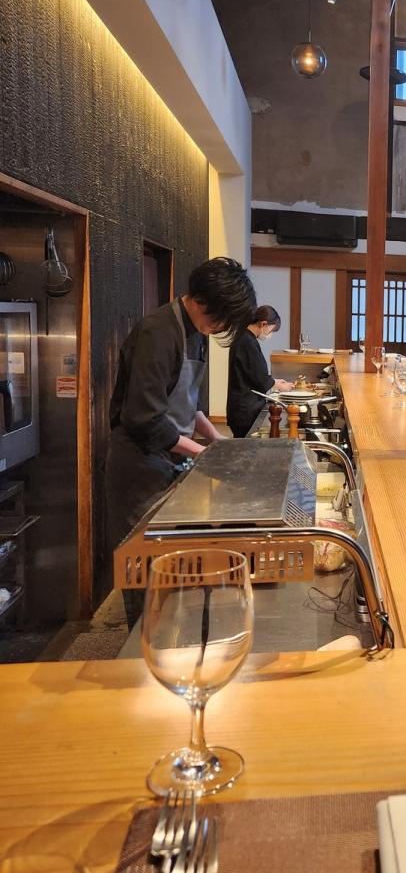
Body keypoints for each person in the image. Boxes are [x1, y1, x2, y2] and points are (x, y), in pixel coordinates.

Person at [106, 256, 257, 621]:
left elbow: (189, 403)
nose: (221, 327)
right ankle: (142, 646)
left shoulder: (195, 332)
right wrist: (200, 454)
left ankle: (169, 637)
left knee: (172, 564)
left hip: (170, 457)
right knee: (146, 568)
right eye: (222, 318)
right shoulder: (158, 333)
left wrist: (215, 439)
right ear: (203, 301)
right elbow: (144, 418)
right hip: (139, 466)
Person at [227, 304, 294, 438]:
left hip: (242, 406)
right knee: (245, 445)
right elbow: (259, 377)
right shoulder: (246, 341)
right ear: (263, 324)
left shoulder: (245, 338)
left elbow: (252, 372)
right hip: (245, 409)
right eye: (272, 330)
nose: (270, 334)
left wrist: (274, 381)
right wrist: (277, 384)